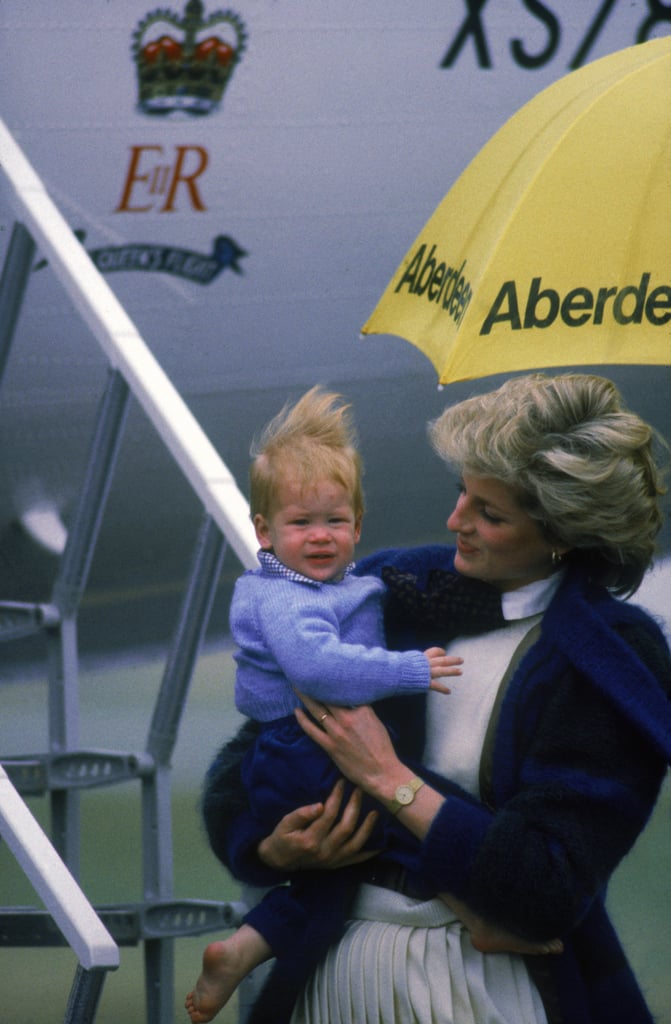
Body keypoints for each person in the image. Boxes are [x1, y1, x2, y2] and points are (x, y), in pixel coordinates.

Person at [198, 372, 671, 1024]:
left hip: (487, 985)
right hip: (332, 963)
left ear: (563, 532)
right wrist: (268, 846)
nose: (455, 521)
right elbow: (251, 755)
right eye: (461, 495)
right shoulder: (389, 588)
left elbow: (547, 886)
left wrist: (388, 780)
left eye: (490, 513)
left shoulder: (610, 661)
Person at [186, 386, 468, 1023]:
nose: (320, 537)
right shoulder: (284, 598)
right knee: (428, 818)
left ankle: (244, 949)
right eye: (299, 523)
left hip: (305, 744)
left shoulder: (340, 585)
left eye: (335, 522)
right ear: (263, 531)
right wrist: (411, 670)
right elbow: (319, 668)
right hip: (299, 746)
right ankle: (488, 909)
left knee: (333, 877)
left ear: (359, 524)